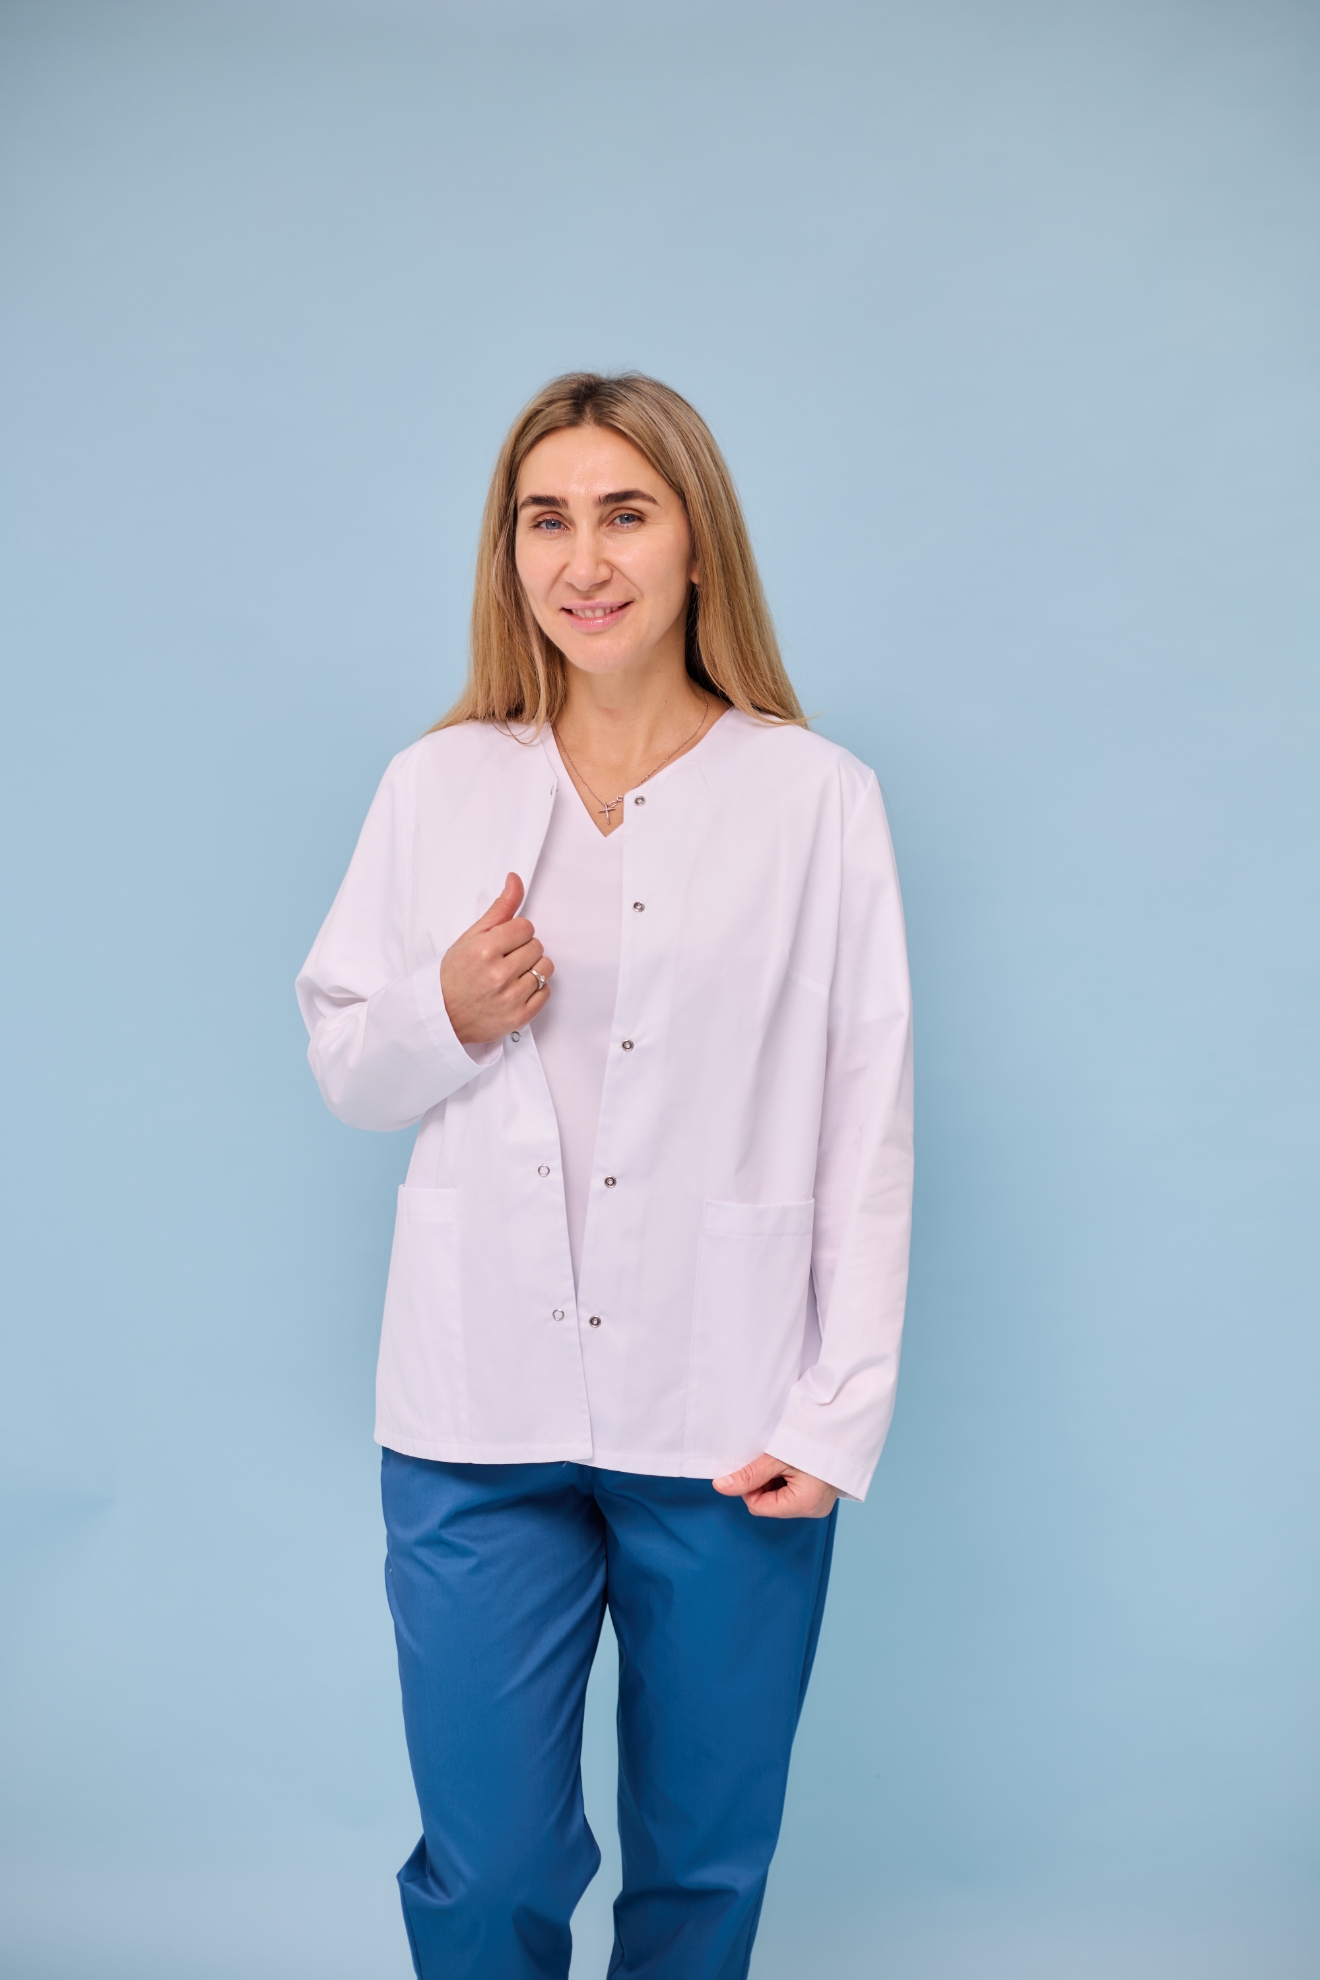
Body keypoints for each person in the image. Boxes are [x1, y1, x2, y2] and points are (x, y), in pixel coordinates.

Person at [296, 371, 913, 1980]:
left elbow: (868, 1118)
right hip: (473, 1410)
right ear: (507, 553)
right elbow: (348, 1063)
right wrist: (448, 1007)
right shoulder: (436, 785)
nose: (583, 560)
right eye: (546, 520)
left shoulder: (816, 800)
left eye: (625, 514)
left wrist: (838, 1409)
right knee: (487, 1861)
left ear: (699, 542)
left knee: (704, 1862)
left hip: (730, 1411)